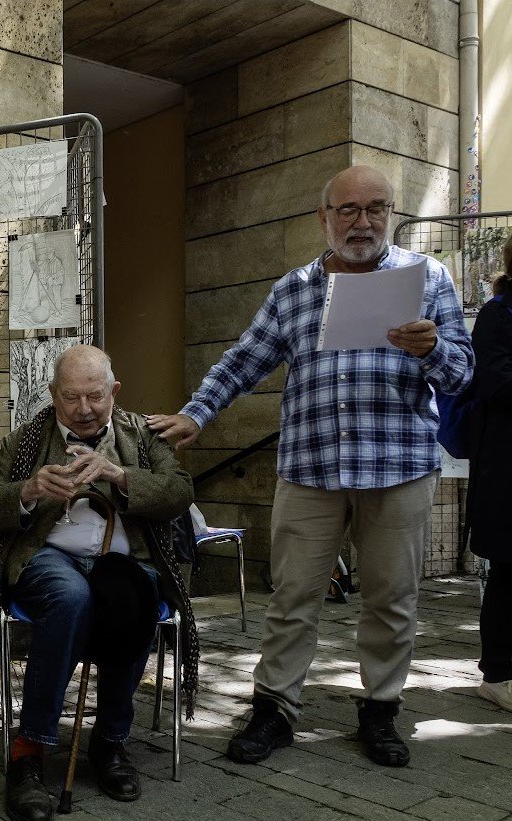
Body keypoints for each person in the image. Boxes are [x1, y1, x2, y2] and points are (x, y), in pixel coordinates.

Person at [147, 165, 473, 768]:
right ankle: (274, 709)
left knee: (392, 599)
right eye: (348, 209)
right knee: (292, 596)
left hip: (398, 466)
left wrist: (433, 349)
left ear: (391, 214)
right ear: (323, 217)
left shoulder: (427, 278)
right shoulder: (294, 289)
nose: (362, 222)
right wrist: (197, 414)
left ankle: (380, 710)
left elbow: (462, 374)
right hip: (310, 467)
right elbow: (244, 360)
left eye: (376, 208)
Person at [0, 345, 196, 821]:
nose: (84, 409)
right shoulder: (27, 439)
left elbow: (179, 492)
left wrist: (120, 476)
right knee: (70, 598)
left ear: (114, 391)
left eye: (95, 396)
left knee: (132, 598)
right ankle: (28, 752)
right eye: (71, 398)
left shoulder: (143, 434)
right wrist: (28, 490)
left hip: (127, 558)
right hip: (49, 556)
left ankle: (110, 742)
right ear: (53, 394)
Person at [466, 234, 512, 712]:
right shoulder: (498, 314)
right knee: (509, 571)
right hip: (506, 467)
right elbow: (496, 386)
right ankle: (498, 674)